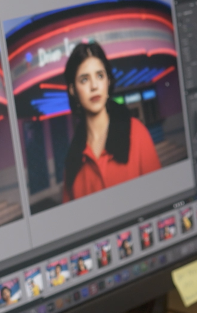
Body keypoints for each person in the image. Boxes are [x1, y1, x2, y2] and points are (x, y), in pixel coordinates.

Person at [62, 42, 161, 202]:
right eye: (84, 79)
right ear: (73, 89)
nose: (94, 86)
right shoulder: (72, 164)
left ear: (108, 81)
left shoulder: (136, 132)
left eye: (100, 76)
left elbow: (159, 198)